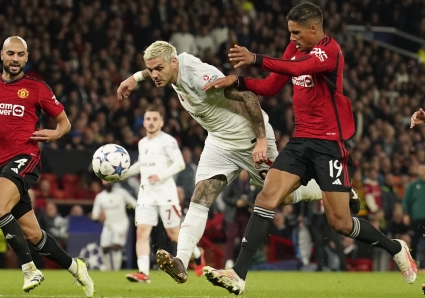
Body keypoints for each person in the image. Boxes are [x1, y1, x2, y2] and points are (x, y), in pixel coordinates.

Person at [199, 3, 416, 294]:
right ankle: (238, 275)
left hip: (329, 145)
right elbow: (271, 86)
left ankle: (395, 248)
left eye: (296, 32)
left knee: (339, 223)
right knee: (266, 197)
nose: (291, 39)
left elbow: (300, 68)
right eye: (290, 33)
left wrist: (256, 58)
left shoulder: (330, 51)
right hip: (301, 141)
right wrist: (238, 81)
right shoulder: (293, 50)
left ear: (314, 28)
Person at [116, 40, 358, 285]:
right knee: (200, 198)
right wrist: (135, 78)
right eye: (151, 70)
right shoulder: (171, 66)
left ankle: (338, 190)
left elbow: (248, 97)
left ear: (174, 62)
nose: (155, 75)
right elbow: (154, 68)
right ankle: (181, 259)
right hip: (219, 142)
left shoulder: (200, 79)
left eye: (158, 69)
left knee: (282, 196)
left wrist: (261, 140)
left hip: (248, 138)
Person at [0, 36, 94, 296]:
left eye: (20, 55)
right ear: (2, 55)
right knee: (33, 234)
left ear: (26, 58)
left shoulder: (37, 88)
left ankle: (29, 269)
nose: (15, 59)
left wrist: (55, 134)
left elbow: (65, 123)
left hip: (26, 157)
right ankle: (76, 267)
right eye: (11, 54)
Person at [118, 106, 204, 283]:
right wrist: (121, 174)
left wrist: (161, 175)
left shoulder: (168, 141)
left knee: (174, 235)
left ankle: (197, 254)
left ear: (161, 122)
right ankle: (143, 273)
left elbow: (179, 164)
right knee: (142, 232)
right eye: (148, 119)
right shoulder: (142, 143)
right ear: (144, 122)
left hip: (166, 194)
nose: (151, 122)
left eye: (154, 119)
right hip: (146, 195)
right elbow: (141, 164)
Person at [91, 181, 137, 271]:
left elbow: (134, 203)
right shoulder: (100, 197)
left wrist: (135, 213)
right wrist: (98, 218)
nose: (107, 183)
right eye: (105, 182)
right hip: (108, 225)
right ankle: (108, 270)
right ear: (102, 183)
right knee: (104, 249)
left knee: (116, 246)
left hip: (121, 224)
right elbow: (95, 214)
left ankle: (116, 270)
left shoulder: (121, 193)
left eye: (109, 181)